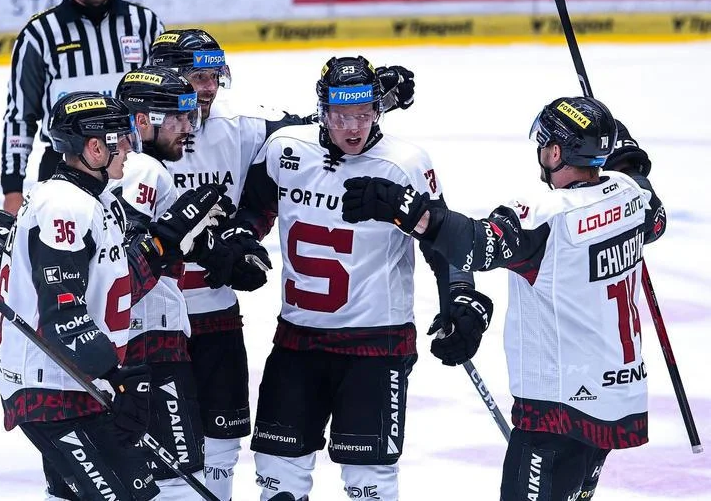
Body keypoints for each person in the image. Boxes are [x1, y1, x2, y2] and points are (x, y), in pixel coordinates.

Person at [341, 96, 667, 500]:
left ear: (555, 152)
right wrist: (626, 153)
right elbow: (653, 215)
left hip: (559, 409)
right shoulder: (632, 196)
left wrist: (403, 208)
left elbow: (474, 246)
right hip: (617, 397)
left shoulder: (548, 215)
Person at [146, 30, 418, 500]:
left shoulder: (248, 127)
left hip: (214, 313)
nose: (208, 89)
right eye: (195, 77)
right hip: (144, 321)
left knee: (221, 448)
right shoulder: (122, 138)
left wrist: (378, 99)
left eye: (214, 76)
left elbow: (321, 128)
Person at [232, 56, 491, 501]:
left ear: (378, 109)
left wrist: (460, 297)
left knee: (368, 484)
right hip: (297, 341)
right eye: (340, 117)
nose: (353, 128)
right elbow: (253, 209)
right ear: (321, 112)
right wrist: (242, 240)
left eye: (364, 114)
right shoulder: (285, 149)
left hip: (376, 344)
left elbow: (442, 240)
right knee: (277, 477)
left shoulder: (404, 163)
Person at [0, 91, 229, 500]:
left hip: (76, 381)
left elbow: (119, 286)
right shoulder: (63, 206)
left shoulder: (96, 200)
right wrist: (115, 379)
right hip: (53, 386)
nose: (129, 148)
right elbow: (64, 313)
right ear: (94, 148)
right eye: (120, 139)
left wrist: (163, 242)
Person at [112, 65, 238, 500]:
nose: (189, 127)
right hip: (150, 342)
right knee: (180, 482)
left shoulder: (123, 168)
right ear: (141, 121)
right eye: (177, 117)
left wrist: (213, 248)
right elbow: (128, 255)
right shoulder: (144, 168)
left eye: (190, 115)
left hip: (128, 342)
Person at [0, 0, 164, 216]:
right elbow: (20, 118)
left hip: (135, 166)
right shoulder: (40, 34)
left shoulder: (145, 25)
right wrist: (12, 190)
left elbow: (165, 105)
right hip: (63, 169)